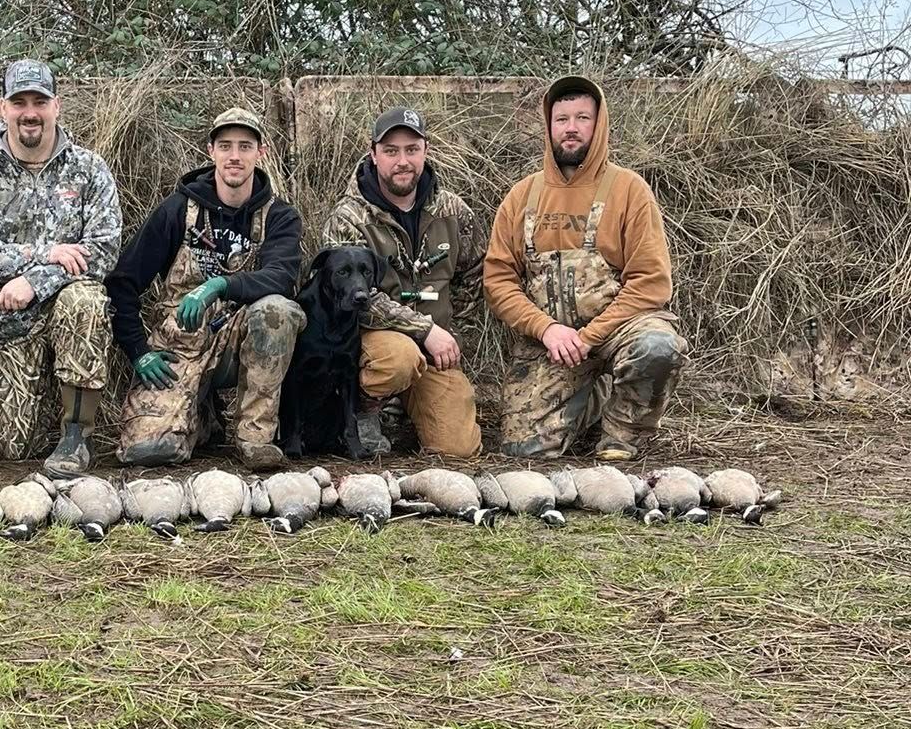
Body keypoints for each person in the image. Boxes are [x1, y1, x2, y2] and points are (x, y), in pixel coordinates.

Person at [484, 74, 685, 459]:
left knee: (657, 347)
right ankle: (590, 398)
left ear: (599, 124)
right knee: (523, 454)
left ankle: (623, 435)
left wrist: (591, 337)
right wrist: (546, 330)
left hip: (614, 331)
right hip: (551, 342)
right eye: (562, 120)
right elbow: (498, 281)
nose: (571, 129)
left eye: (582, 118)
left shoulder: (629, 190)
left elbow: (652, 283)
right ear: (548, 127)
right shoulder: (522, 195)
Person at [0, 59, 121, 473]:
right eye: (18, 101)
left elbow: (104, 249)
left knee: (85, 301)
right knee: (12, 449)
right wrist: (42, 254)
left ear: (56, 106)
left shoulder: (88, 168)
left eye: (39, 101)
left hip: (64, 309)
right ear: (1, 108)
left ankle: (75, 436)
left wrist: (36, 281)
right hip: (5, 321)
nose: (29, 112)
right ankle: (38, 414)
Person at [107, 108, 303, 469]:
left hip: (238, 340)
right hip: (180, 345)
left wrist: (219, 284)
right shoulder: (177, 210)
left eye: (245, 146)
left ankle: (254, 437)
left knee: (278, 310)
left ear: (261, 153)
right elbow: (122, 282)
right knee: (149, 453)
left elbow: (282, 277)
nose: (234, 156)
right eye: (225, 145)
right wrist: (138, 351)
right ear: (211, 150)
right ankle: (201, 415)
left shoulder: (280, 216)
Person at [319, 105, 482, 459]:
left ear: (426, 150)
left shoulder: (454, 211)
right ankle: (366, 408)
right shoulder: (349, 218)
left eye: (412, 149)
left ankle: (409, 406)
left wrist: (454, 339)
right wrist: (424, 329)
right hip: (377, 345)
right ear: (373, 154)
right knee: (399, 357)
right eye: (391, 151)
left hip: (436, 346)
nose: (402, 161)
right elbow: (350, 297)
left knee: (458, 450)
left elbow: (473, 279)